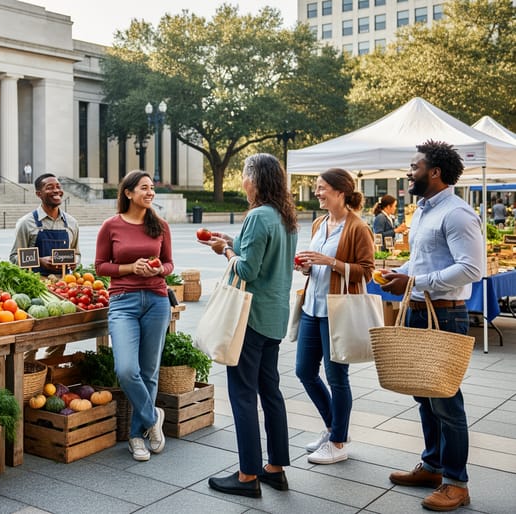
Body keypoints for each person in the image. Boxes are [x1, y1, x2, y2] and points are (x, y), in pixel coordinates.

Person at [378, 140, 483, 512]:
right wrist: (402, 272)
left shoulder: (458, 213)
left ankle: (457, 483)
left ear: (434, 172)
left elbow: (472, 269)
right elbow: (422, 262)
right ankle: (433, 466)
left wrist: (415, 283)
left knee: (446, 401)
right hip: (420, 312)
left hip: (446, 314)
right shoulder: (423, 210)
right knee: (423, 395)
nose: (409, 172)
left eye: (414, 166)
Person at [201, 153, 297, 498]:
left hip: (250, 319)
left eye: (244, 174)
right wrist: (231, 242)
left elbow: (247, 270)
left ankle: (246, 476)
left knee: (243, 396)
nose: (242, 181)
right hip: (273, 318)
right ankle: (275, 468)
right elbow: (264, 257)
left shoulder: (257, 216)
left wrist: (225, 253)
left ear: (254, 180)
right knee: (271, 392)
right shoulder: (284, 217)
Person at [293, 168, 374, 465]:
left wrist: (331, 262)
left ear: (340, 192)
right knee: (304, 371)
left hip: (337, 312)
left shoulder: (357, 228)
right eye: (316, 187)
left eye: (321, 187)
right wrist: (305, 266)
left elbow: (367, 271)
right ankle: (334, 428)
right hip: (312, 309)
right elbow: (317, 266)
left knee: (337, 377)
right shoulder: (319, 223)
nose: (317, 192)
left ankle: (338, 441)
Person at [95, 170, 172, 462]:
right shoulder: (110, 226)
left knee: (149, 371)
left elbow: (169, 263)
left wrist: (157, 270)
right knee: (127, 369)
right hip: (123, 302)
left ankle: (136, 436)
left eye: (152, 188)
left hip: (157, 300)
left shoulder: (160, 226)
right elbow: (100, 266)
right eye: (144, 188)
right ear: (128, 193)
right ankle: (154, 417)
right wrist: (129, 269)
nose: (150, 192)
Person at [9, 173, 80, 360]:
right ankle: (27, 374)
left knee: (59, 339)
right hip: (36, 289)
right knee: (33, 339)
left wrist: (74, 262)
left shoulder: (71, 223)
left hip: (63, 288)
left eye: (58, 186)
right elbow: (14, 257)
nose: (56, 190)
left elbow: (77, 254)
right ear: (39, 193)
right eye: (50, 187)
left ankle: (50, 374)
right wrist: (40, 261)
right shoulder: (27, 223)